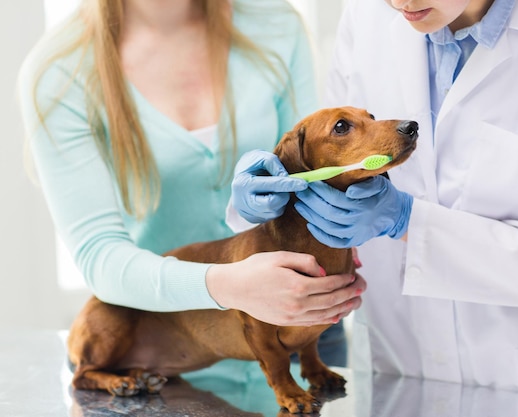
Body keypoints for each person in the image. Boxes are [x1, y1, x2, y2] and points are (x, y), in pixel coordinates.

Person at [231, 0, 518, 404]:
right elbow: (333, 163)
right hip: (397, 372)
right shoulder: (368, 16)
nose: (399, 2)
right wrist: (273, 194)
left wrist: (408, 222)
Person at [18, 0, 365, 368]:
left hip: (305, 330)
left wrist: (351, 214)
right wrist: (227, 285)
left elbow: (318, 172)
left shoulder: (275, 25)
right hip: (163, 355)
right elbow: (99, 257)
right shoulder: (61, 73)